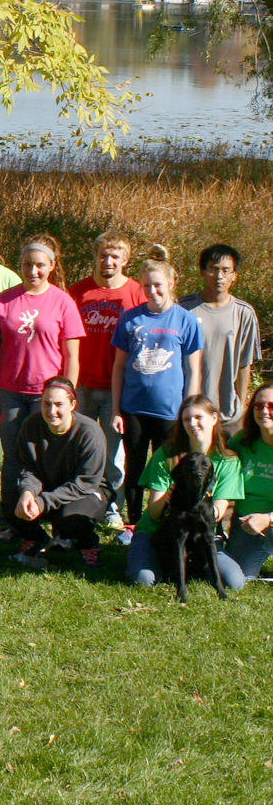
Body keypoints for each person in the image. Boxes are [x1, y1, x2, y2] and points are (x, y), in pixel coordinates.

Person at [0, 236, 85, 523]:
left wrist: (67, 395)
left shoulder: (63, 302)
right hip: (9, 391)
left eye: (40, 265)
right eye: (27, 265)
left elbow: (72, 356)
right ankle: (12, 517)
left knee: (46, 457)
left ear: (51, 266)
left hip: (47, 396)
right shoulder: (4, 300)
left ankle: (46, 512)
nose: (33, 271)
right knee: (13, 457)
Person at [110, 246, 202, 528]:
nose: (152, 291)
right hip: (133, 408)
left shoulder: (186, 320)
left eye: (158, 285)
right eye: (147, 285)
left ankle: (167, 518)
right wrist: (115, 410)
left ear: (172, 284)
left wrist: (190, 410)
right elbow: (118, 368)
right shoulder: (130, 319)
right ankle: (134, 523)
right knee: (135, 467)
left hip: (170, 412)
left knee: (168, 468)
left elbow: (193, 369)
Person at [124, 394, 246, 591]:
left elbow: (216, 514)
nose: (193, 424)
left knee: (234, 582)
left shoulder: (228, 461)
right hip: (158, 531)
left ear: (214, 418)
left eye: (199, 417)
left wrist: (197, 498)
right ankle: (144, 554)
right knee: (144, 580)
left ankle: (194, 565)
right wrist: (171, 495)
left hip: (201, 535)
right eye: (187, 419)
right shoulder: (167, 455)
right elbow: (154, 512)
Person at [69, 230, 143, 530]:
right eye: (103, 255)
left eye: (114, 256)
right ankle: (77, 499)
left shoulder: (136, 292)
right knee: (80, 447)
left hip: (118, 387)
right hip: (83, 383)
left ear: (125, 260)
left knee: (114, 453)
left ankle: (113, 505)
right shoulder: (78, 292)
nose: (108, 261)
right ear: (95, 257)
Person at [7, 379, 109, 570]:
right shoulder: (31, 424)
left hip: (87, 491)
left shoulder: (90, 432)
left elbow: (85, 483)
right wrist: (28, 492)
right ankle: (36, 539)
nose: (52, 411)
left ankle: (89, 545)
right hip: (47, 487)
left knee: (70, 519)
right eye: (46, 403)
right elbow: (27, 467)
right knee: (12, 502)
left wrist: (43, 502)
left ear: (72, 404)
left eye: (59, 404)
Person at [179, 243, 262, 436]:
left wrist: (241, 406)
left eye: (226, 271)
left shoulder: (244, 313)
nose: (219, 277)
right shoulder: (183, 308)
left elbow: (245, 363)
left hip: (228, 413)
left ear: (235, 275)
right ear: (202, 272)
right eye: (214, 270)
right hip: (190, 410)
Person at [226, 383, 273, 581]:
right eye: (259, 405)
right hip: (246, 524)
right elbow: (219, 469)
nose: (264, 411)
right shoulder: (242, 441)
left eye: (271, 406)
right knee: (239, 575)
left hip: (270, 521)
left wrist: (269, 519)